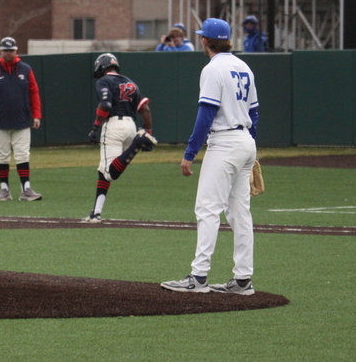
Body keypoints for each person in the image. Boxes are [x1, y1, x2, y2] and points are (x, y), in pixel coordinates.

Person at [161, 18, 259, 295]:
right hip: (244, 141)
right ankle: (242, 280)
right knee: (240, 213)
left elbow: (206, 115)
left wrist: (190, 153)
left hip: (225, 142)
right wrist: (253, 147)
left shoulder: (212, 69)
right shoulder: (244, 67)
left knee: (207, 209)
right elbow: (254, 114)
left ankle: (199, 276)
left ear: (205, 40)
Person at [83, 53, 156, 222]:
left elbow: (106, 104)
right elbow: (145, 110)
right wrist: (149, 132)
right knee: (103, 169)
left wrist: (95, 127)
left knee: (110, 173)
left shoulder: (104, 81)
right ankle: (96, 211)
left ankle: (137, 144)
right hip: (130, 126)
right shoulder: (131, 83)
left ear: (102, 67)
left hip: (114, 125)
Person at [0, 36, 43, 201]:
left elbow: (33, 92)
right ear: (0, 51)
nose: (8, 53)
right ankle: (4, 190)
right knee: (2, 155)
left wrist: (36, 114)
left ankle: (26, 190)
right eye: (6, 50)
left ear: (16, 50)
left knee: (22, 155)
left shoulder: (26, 69)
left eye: (11, 50)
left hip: (21, 120)